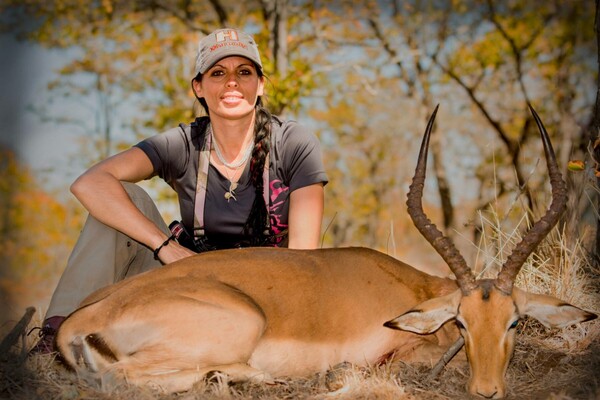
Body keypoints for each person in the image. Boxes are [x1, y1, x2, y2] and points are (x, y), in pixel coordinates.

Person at [31, 28, 328, 354]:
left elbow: (303, 260)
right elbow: (89, 183)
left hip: (263, 294)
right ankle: (58, 338)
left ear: (260, 84)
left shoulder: (294, 143)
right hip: (184, 283)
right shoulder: (183, 142)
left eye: (244, 72)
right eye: (218, 72)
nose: (232, 82)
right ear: (199, 87)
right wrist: (167, 249)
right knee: (125, 197)